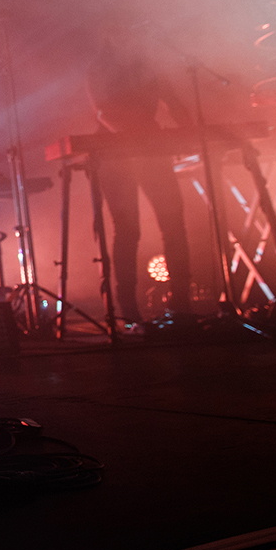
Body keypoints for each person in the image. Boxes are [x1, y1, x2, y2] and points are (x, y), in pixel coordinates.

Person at [86, 24, 194, 326]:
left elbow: (174, 101)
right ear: (111, 34)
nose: (133, 37)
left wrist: (190, 132)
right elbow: (103, 111)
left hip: (151, 147)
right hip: (115, 153)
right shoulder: (99, 68)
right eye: (125, 31)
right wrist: (132, 140)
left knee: (173, 223)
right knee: (128, 229)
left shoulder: (146, 67)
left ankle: (183, 304)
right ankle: (128, 309)